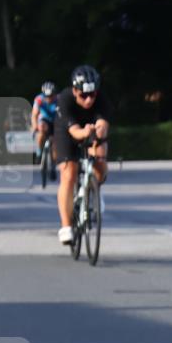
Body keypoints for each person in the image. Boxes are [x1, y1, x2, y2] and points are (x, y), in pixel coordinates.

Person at [55, 65, 111, 244]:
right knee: (69, 173)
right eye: (83, 96)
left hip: (91, 130)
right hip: (69, 132)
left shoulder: (102, 100)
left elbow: (103, 126)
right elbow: (75, 133)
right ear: (74, 91)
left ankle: (94, 189)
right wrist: (86, 131)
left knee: (100, 159)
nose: (88, 100)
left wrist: (98, 132)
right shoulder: (65, 100)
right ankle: (66, 226)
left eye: (92, 95)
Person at [31, 81, 58, 166]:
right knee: (41, 128)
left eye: (51, 96)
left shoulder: (59, 99)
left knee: (55, 141)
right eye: (47, 97)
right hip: (44, 119)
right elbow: (34, 115)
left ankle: (54, 162)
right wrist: (35, 126)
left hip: (56, 120)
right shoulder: (39, 99)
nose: (49, 99)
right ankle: (39, 153)